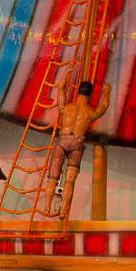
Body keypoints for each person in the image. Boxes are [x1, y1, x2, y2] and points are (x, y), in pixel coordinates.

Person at [44, 79, 111, 219]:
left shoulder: (67, 108)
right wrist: (106, 93)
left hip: (62, 141)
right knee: (70, 181)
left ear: (78, 91)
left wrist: (66, 74)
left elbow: (61, 90)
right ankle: (63, 211)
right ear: (90, 95)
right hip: (77, 144)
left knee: (52, 179)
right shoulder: (90, 113)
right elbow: (103, 107)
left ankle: (47, 206)